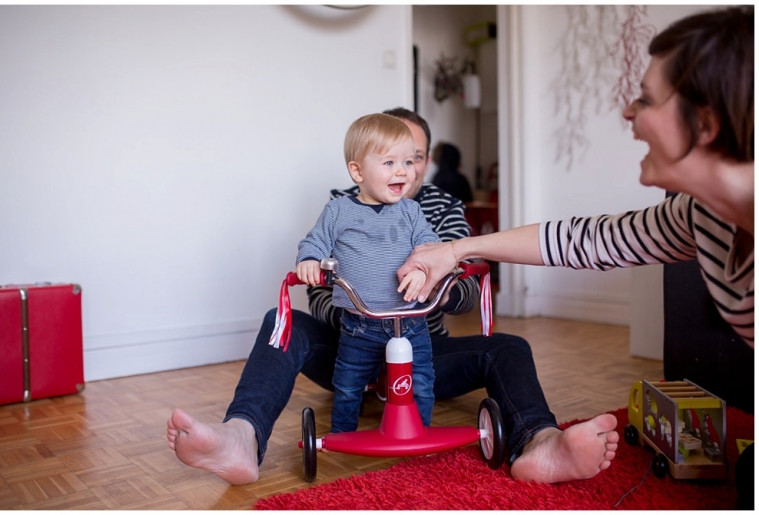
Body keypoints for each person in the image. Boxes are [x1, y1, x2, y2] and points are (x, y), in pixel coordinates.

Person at [166, 107, 619, 486]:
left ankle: (538, 441)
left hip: (422, 340)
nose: (405, 169)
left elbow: (463, 289)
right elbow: (318, 286)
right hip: (353, 335)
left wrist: (433, 285)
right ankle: (241, 435)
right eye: (393, 159)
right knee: (279, 319)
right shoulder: (343, 206)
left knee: (510, 346)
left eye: (415, 158)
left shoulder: (436, 207)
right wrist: (351, 294)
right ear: (364, 166)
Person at [398, 6, 754, 349]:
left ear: (705, 124)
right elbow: (584, 239)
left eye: (645, 100)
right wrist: (456, 249)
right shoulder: (701, 215)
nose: (628, 111)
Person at [294, 113, 440, 432]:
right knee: (348, 385)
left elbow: (430, 245)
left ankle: (420, 433)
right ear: (357, 171)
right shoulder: (339, 211)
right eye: (389, 163)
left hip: (412, 321)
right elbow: (315, 241)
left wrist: (423, 267)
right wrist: (309, 259)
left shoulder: (411, 212)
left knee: (422, 384)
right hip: (361, 325)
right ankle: (343, 434)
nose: (402, 170)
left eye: (409, 161)